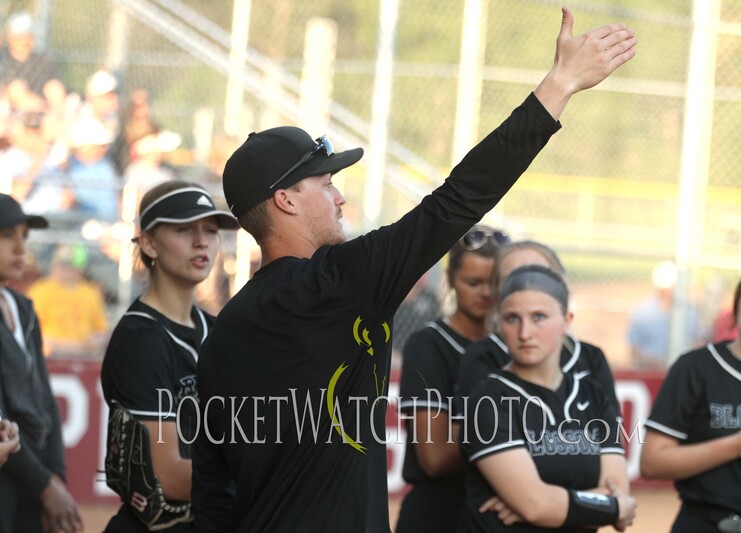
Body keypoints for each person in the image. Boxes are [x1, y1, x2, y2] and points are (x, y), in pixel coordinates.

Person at [192, 8, 636, 532]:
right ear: (285, 200)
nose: (340, 196)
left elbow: (213, 495)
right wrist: (558, 85)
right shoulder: (341, 282)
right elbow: (459, 199)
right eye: (326, 184)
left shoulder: (223, 333)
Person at [100, 180, 238, 532]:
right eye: (184, 229)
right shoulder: (140, 340)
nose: (202, 241)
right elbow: (167, 477)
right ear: (149, 243)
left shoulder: (217, 329)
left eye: (211, 230)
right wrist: (265, 473)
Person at [460, 265, 636, 532]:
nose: (524, 333)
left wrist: (548, 506)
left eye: (539, 317)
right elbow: (536, 505)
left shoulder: (592, 396)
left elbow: (619, 493)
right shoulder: (488, 401)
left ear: (566, 320)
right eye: (512, 318)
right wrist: (608, 506)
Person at [640, 257, 741, 532]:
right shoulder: (695, 367)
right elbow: (652, 462)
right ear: (736, 303)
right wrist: (736, 445)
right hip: (703, 524)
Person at [396, 225, 507, 533]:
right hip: (438, 514)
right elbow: (434, 457)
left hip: (494, 514)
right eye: (473, 282)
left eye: (495, 282)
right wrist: (512, 437)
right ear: (451, 278)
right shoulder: (428, 344)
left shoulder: (512, 346)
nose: (486, 293)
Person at [0, 193, 83, 533]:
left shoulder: (23, 307)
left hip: (35, 475)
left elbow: (45, 398)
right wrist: (45, 485)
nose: (21, 247)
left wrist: (56, 476)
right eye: (7, 235)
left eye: (24, 236)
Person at [458, 240, 618, 409]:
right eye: (512, 279)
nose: (526, 286)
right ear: (497, 293)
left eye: (538, 275)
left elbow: (610, 423)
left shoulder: (591, 357)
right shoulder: (483, 356)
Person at [27, 243, 109, 358]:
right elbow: (30, 329)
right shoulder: (39, 291)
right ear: (54, 266)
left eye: (70, 267)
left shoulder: (91, 293)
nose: (64, 271)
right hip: (51, 356)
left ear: (80, 270)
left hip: (84, 355)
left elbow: (102, 331)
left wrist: (95, 341)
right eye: (61, 266)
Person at [627, 260, 704, 370]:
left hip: (682, 371)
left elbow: (698, 343)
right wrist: (654, 362)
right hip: (651, 372)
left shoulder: (689, 312)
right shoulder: (643, 313)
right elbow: (633, 351)